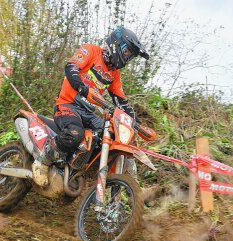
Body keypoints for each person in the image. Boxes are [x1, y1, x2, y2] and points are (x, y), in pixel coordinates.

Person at [32, 26, 149, 188]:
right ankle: (42, 161)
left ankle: (134, 186)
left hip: (88, 113)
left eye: (130, 57)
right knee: (75, 133)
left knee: (118, 138)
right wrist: (81, 87)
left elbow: (121, 101)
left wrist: (136, 123)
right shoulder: (91, 51)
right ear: (117, 44)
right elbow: (71, 67)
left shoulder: (114, 74)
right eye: (127, 53)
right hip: (68, 106)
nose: (127, 59)